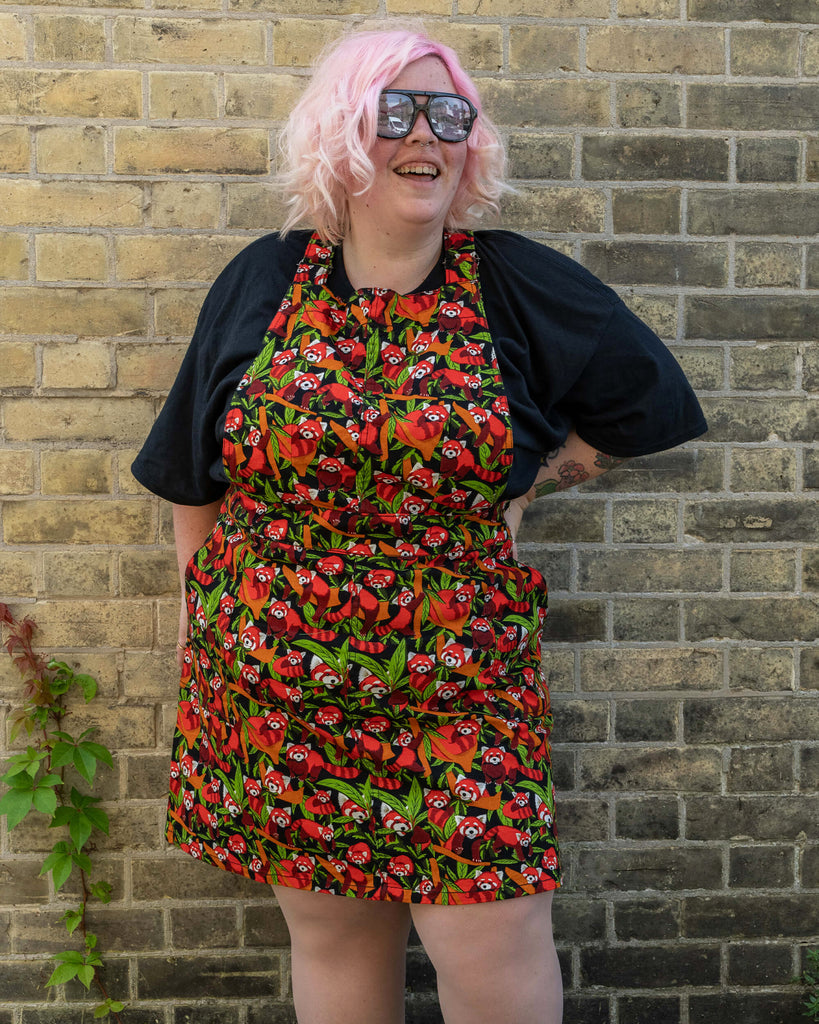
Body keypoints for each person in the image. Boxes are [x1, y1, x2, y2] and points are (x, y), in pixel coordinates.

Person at [132, 27, 707, 1024]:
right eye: (396, 110)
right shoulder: (261, 284)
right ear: (343, 135)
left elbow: (642, 404)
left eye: (449, 115)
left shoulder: (514, 286)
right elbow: (193, 466)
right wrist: (201, 613)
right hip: (283, 681)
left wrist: (542, 478)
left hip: (462, 686)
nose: (426, 136)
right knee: (337, 949)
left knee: (494, 950)